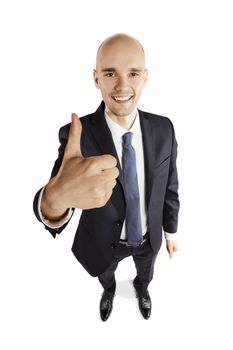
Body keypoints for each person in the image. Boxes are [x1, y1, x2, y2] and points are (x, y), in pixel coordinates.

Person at [33, 33, 180, 321]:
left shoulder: (165, 129)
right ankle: (109, 290)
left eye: (133, 73)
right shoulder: (77, 136)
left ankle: (141, 288)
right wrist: (54, 200)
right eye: (110, 73)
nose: (122, 85)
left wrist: (170, 232)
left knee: (146, 273)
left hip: (149, 238)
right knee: (105, 275)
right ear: (96, 78)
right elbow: (59, 189)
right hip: (103, 241)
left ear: (146, 77)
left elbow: (170, 185)